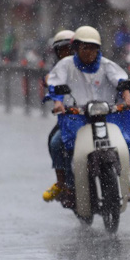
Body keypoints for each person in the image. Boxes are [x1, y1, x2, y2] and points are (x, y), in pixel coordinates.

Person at [44, 25, 130, 204]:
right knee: (58, 143)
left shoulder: (107, 65)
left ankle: (127, 175)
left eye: (93, 48)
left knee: (125, 141)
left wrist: (127, 99)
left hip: (106, 115)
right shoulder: (65, 65)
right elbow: (55, 86)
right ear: (77, 48)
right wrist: (58, 103)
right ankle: (65, 184)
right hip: (75, 116)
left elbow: (121, 81)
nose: (89, 52)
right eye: (85, 47)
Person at [42, 29, 76, 203]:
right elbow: (49, 79)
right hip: (70, 119)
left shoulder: (92, 64)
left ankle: (125, 178)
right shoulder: (57, 70)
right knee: (56, 142)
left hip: (96, 115)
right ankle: (62, 183)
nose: (66, 53)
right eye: (62, 49)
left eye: (70, 48)